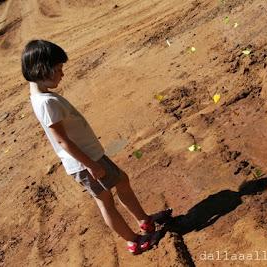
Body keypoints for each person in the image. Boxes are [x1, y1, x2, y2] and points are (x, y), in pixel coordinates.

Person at [21, 39, 169, 255]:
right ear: (42, 69)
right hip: (86, 162)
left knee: (121, 181)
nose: (62, 74)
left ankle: (144, 220)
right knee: (105, 201)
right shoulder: (46, 102)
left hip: (91, 157)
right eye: (59, 69)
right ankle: (134, 240)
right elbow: (62, 140)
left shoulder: (40, 96)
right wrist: (90, 164)